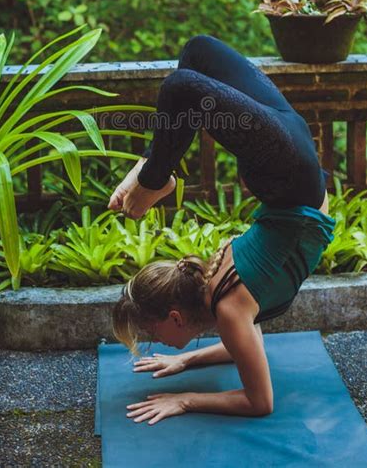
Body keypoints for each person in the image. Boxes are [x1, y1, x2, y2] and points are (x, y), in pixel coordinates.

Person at [108, 34, 335, 425]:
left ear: (176, 317)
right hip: (289, 167)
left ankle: (153, 176)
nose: (155, 341)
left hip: (291, 176)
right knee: (193, 61)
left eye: (152, 332)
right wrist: (186, 358)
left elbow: (259, 402)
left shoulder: (227, 304)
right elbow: (242, 347)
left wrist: (185, 401)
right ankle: (153, 173)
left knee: (190, 67)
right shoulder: (217, 284)